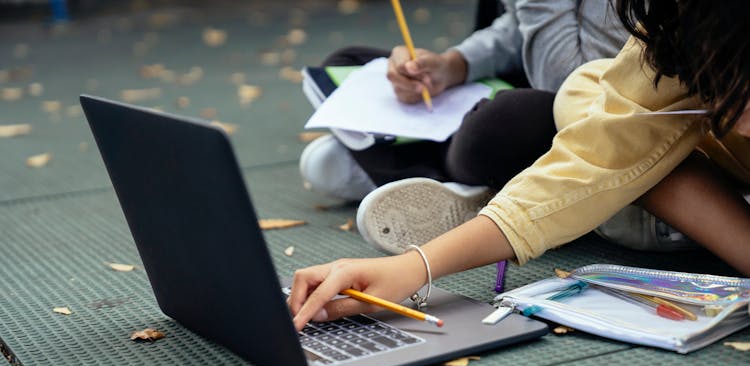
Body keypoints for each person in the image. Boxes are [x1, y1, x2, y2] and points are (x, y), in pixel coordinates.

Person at [288, 0, 750, 331]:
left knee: (532, 115)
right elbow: (594, 156)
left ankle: (464, 184)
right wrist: (413, 267)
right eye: (715, 88)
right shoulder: (679, 29)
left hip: (580, 138)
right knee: (584, 97)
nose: (738, 115)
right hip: (656, 155)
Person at [300, 0, 629, 212]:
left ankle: (412, 176)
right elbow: (517, 28)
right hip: (517, 92)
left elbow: (576, 90)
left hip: (593, 122)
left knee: (503, 118)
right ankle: (454, 187)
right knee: (347, 64)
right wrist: (451, 65)